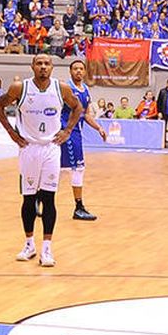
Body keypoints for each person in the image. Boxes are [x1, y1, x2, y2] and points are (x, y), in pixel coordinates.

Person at [0, 53, 83, 267]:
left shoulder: (61, 88)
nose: (43, 67)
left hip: (51, 148)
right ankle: (29, 244)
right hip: (29, 148)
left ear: (52, 67)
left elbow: (77, 107)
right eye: (39, 63)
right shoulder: (20, 88)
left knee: (49, 199)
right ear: (32, 66)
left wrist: (68, 130)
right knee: (29, 199)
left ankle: (47, 249)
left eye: (47, 64)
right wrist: (11, 133)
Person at [60, 59, 109, 220]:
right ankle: (77, 207)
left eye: (81, 68)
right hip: (65, 132)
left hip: (76, 133)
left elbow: (86, 114)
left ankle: (76, 207)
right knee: (67, 169)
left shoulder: (86, 89)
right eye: (75, 69)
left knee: (73, 168)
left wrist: (99, 128)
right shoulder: (66, 88)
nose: (79, 71)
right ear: (70, 71)